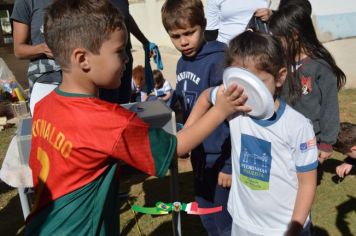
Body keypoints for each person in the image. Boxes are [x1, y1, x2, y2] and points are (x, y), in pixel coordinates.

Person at [25, 0, 250, 234]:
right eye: (119, 50)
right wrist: (219, 109)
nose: (126, 59)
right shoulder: (108, 122)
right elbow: (176, 147)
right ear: (82, 59)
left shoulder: (45, 105)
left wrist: (201, 101)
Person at [186, 31, 318, 236]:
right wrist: (187, 131)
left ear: (280, 77)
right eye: (242, 84)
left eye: (259, 83)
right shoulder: (234, 103)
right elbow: (205, 97)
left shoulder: (297, 126)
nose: (249, 94)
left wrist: (295, 227)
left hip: (281, 228)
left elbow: (307, 183)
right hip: (242, 222)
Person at [161, 1, 234, 235]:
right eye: (175, 36)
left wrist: (230, 165)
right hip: (199, 154)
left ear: (203, 26)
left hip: (222, 156)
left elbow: (235, 115)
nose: (183, 41)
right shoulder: (182, 62)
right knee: (205, 214)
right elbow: (186, 101)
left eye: (189, 33)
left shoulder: (220, 60)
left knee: (224, 220)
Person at [269, 5, 347, 163]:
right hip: (283, 135)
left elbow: (329, 107)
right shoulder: (281, 62)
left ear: (295, 35)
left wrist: (326, 143)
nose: (275, 43)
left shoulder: (320, 66)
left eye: (278, 38)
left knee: (304, 183)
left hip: (310, 139)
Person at [11, 0, 62, 114]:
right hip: (46, 77)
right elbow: (19, 50)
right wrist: (43, 48)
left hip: (80, 75)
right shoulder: (26, 2)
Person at [99, 0, 153, 104]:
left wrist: (145, 42)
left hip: (124, 55)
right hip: (107, 60)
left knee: (123, 101)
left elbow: (125, 16)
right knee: (108, 103)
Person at [205, 0, 272, 43]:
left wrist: (271, 15)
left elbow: (279, 19)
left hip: (260, 47)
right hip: (227, 50)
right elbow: (210, 32)